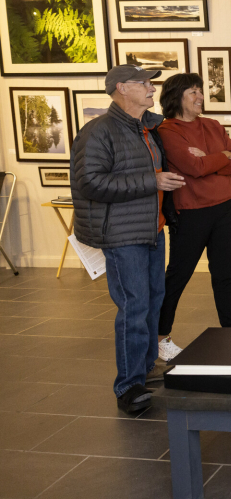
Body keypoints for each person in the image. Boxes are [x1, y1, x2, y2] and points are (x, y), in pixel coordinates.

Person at [71, 64, 186, 414]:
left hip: (151, 229)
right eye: (144, 83)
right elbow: (90, 183)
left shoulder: (147, 129)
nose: (152, 88)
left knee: (152, 301)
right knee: (134, 307)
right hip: (121, 235)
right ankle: (129, 386)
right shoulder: (98, 132)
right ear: (122, 88)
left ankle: (146, 368)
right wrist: (153, 180)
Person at [155, 73, 231, 361]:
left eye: (200, 92)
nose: (200, 98)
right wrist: (222, 157)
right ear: (176, 97)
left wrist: (212, 158)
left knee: (225, 275)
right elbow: (193, 167)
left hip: (224, 208)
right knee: (178, 276)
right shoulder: (168, 130)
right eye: (193, 92)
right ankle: (160, 337)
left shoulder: (213, 125)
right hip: (191, 213)